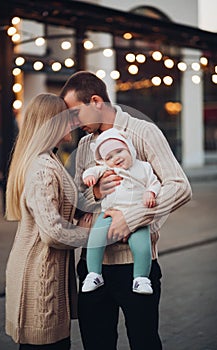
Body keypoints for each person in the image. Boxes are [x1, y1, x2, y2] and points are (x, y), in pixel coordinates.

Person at [60, 71, 192, 350]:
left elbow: (179, 186)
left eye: (75, 113)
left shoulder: (143, 132)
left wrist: (131, 219)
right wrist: (95, 193)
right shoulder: (84, 146)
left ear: (95, 101)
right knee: (96, 344)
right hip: (91, 266)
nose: (73, 123)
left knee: (144, 343)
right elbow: (75, 202)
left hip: (136, 266)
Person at [4, 93, 92, 350]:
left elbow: (60, 206)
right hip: (41, 279)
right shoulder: (42, 167)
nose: (73, 123)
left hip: (45, 272)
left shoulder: (49, 159)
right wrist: (88, 233)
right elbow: (52, 232)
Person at [82, 127, 161, 295]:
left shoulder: (143, 167)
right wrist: (90, 177)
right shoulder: (106, 169)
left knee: (142, 246)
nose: (115, 158)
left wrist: (150, 192)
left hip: (136, 215)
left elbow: (154, 182)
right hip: (109, 213)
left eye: (119, 151)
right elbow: (91, 171)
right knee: (95, 239)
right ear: (104, 161)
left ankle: (141, 278)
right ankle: (94, 273)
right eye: (109, 157)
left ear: (129, 148)